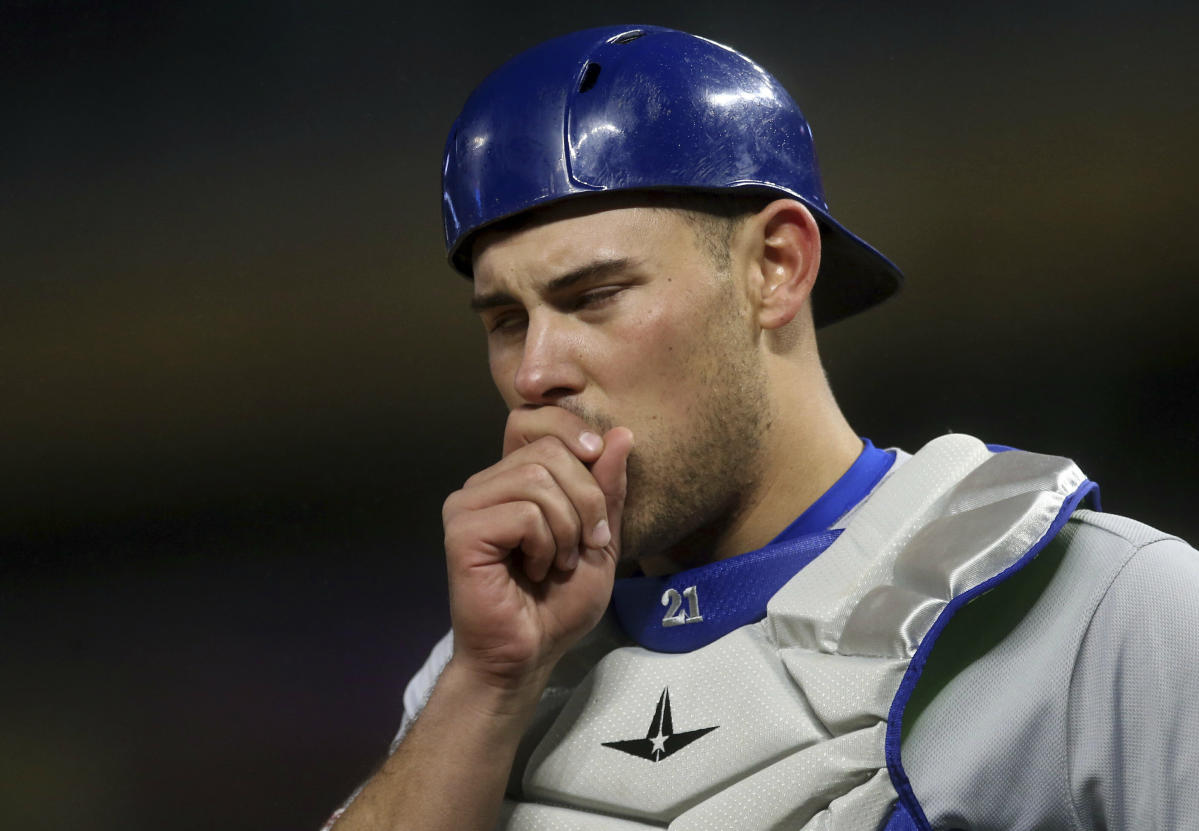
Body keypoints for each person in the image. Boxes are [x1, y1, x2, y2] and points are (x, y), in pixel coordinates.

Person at [328, 25, 1199, 831]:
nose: (533, 373)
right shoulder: (485, 677)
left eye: (592, 296)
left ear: (777, 267)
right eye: (506, 320)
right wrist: (483, 684)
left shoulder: (1107, 610)